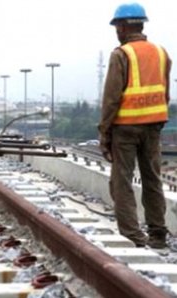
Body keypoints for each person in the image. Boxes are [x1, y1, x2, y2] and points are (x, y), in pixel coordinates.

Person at [99, 2, 172, 249]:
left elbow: (111, 99)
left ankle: (133, 237)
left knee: (122, 181)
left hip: (126, 128)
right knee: (152, 179)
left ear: (121, 27)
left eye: (116, 27)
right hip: (153, 126)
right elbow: (165, 93)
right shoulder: (162, 53)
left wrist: (104, 132)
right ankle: (158, 234)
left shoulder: (121, 55)